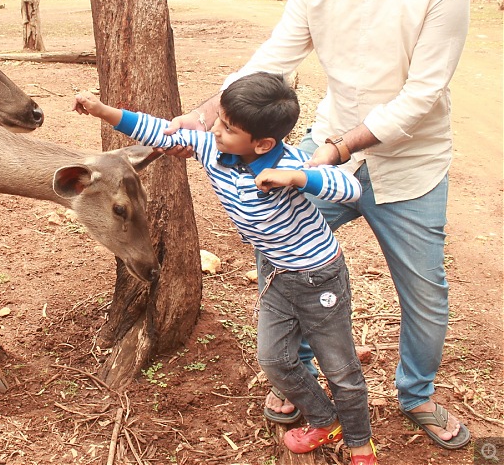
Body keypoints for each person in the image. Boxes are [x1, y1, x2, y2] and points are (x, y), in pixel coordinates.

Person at [162, 0, 471, 451]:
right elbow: (273, 60)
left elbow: (421, 96)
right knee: (279, 246)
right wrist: (205, 113)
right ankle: (297, 378)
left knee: (424, 291)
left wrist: (335, 152)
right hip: (328, 144)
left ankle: (418, 394)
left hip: (408, 165)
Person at [74, 73, 378, 464]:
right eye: (218, 119)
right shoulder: (213, 148)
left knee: (340, 369)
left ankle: (359, 444)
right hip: (276, 275)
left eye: (227, 127)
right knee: (275, 360)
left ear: (262, 144)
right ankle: (324, 419)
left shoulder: (289, 162)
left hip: (318, 276)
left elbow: (350, 189)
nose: (213, 129)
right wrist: (103, 111)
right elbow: (160, 132)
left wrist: (298, 177)